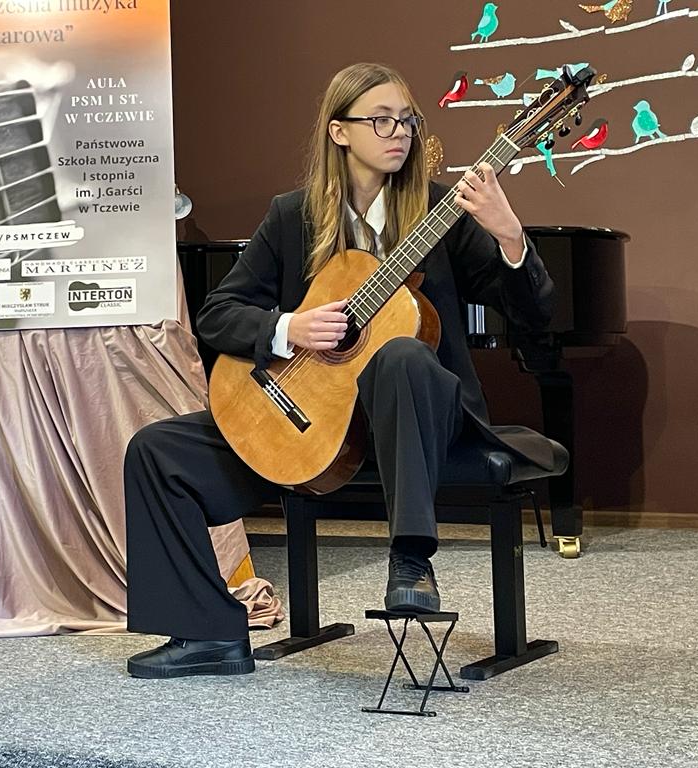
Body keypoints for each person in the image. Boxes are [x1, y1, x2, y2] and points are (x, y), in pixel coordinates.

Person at [123, 62, 555, 679]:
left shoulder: (444, 212)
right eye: (381, 120)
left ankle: (411, 562)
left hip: (421, 425)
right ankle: (207, 634)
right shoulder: (292, 216)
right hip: (318, 424)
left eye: (407, 120)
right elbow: (218, 314)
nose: (399, 132)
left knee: (400, 354)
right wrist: (289, 328)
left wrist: (510, 236)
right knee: (157, 451)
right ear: (339, 131)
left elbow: (535, 315)